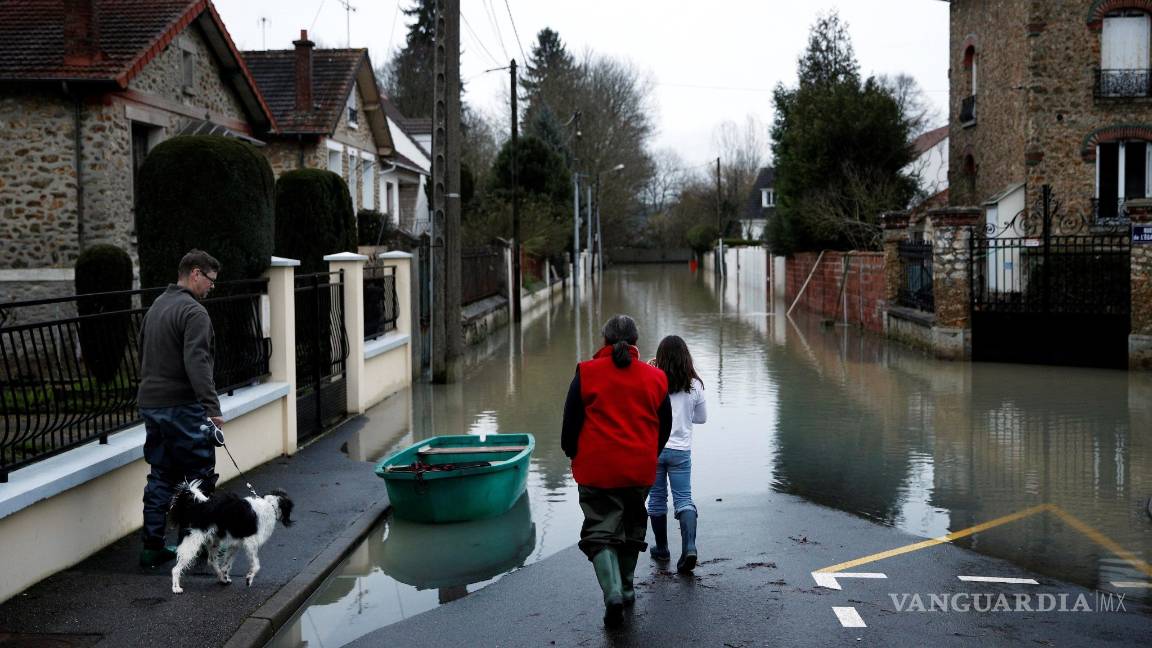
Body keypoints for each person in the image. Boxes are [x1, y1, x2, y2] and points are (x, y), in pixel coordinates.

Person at [562, 315, 672, 628]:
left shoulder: (587, 373)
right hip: (639, 468)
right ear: (636, 342)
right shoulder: (655, 378)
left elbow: (570, 423)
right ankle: (626, 587)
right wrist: (650, 453)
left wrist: (573, 452)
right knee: (632, 529)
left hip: (596, 469)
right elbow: (664, 426)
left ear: (605, 341)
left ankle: (611, 592)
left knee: (600, 532)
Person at [137, 249, 223, 568]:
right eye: (211, 280)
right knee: (197, 476)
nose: (212, 287)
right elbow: (197, 362)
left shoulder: (157, 307)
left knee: (161, 475)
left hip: (151, 403)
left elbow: (142, 350)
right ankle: (194, 548)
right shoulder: (194, 312)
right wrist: (211, 407)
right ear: (196, 274)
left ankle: (151, 547)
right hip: (182, 407)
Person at [646, 335, 707, 573]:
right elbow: (701, 418)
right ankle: (689, 547)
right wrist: (684, 414)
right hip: (681, 451)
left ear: (660, 358)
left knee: (657, 499)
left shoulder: (653, 381)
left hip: (655, 449)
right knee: (684, 499)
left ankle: (662, 549)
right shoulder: (695, 384)